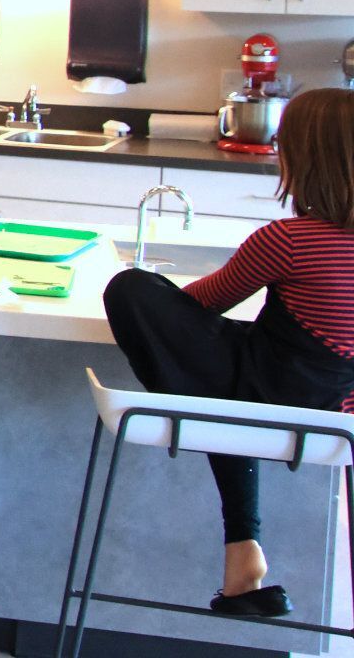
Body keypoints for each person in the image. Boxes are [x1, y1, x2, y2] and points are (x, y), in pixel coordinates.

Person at [103, 88, 354, 620]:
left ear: (306, 160)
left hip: (264, 399)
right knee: (226, 383)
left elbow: (199, 304)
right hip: (332, 417)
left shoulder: (289, 240)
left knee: (132, 291)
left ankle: (244, 550)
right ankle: (242, 560)